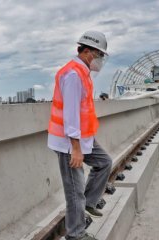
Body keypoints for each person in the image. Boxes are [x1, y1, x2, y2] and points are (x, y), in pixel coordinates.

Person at [48, 31, 112, 240]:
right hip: (69, 143)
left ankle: (89, 203)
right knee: (74, 191)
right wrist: (75, 148)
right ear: (86, 52)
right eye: (99, 54)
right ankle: (75, 235)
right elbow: (70, 115)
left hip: (84, 138)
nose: (100, 60)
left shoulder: (83, 72)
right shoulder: (74, 74)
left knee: (104, 163)